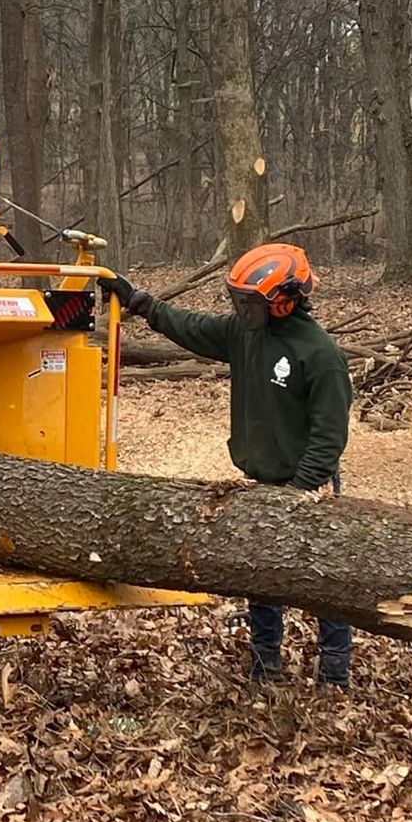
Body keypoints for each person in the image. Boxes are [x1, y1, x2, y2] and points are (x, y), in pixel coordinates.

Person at [101, 243, 356, 689]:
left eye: (250, 302)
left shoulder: (321, 356)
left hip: (309, 487)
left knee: (324, 581)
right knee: (261, 579)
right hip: (260, 481)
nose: (242, 310)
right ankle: (264, 667)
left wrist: (300, 490)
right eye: (239, 301)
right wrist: (141, 302)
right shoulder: (246, 334)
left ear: (283, 299)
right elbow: (193, 328)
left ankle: (334, 676)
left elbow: (329, 436)